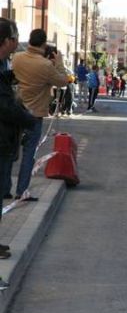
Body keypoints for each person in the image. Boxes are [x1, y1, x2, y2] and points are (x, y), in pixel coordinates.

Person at [11, 29, 69, 201]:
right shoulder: (46, 66)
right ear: (44, 43)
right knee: (29, 153)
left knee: (9, 151)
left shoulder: (17, 58)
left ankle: (5, 188)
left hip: (16, 109)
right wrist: (59, 62)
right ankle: (22, 191)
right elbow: (63, 81)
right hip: (34, 114)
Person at [0, 18, 36, 260]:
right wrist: (28, 119)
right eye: (15, 38)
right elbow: (4, 107)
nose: (17, 42)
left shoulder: (4, 66)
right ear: (6, 41)